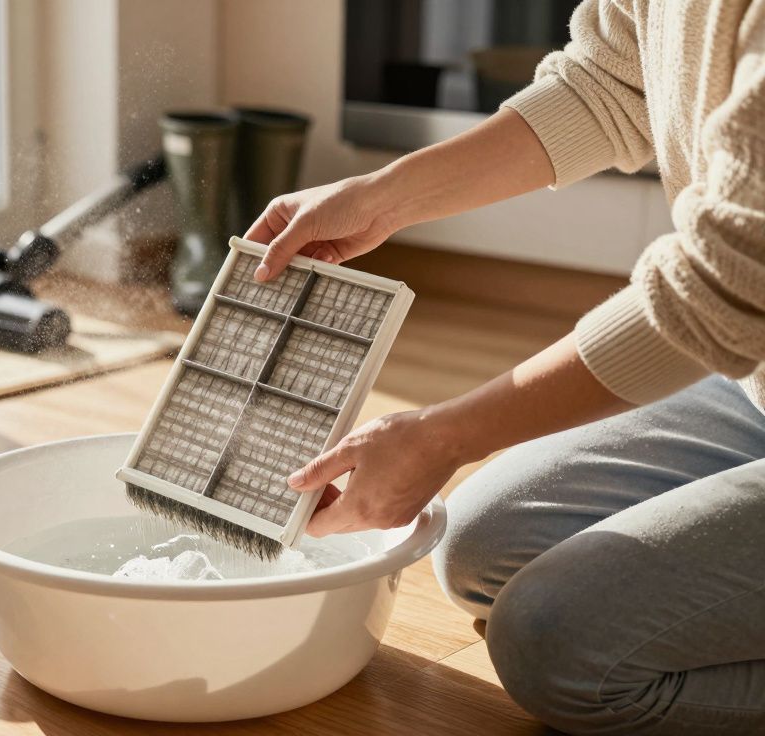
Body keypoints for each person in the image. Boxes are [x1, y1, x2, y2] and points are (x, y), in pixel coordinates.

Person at [243, 1, 765, 733]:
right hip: (756, 385)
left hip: (745, 321)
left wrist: (444, 436)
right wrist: (379, 199)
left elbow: (724, 286)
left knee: (558, 648)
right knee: (480, 545)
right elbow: (611, 85)